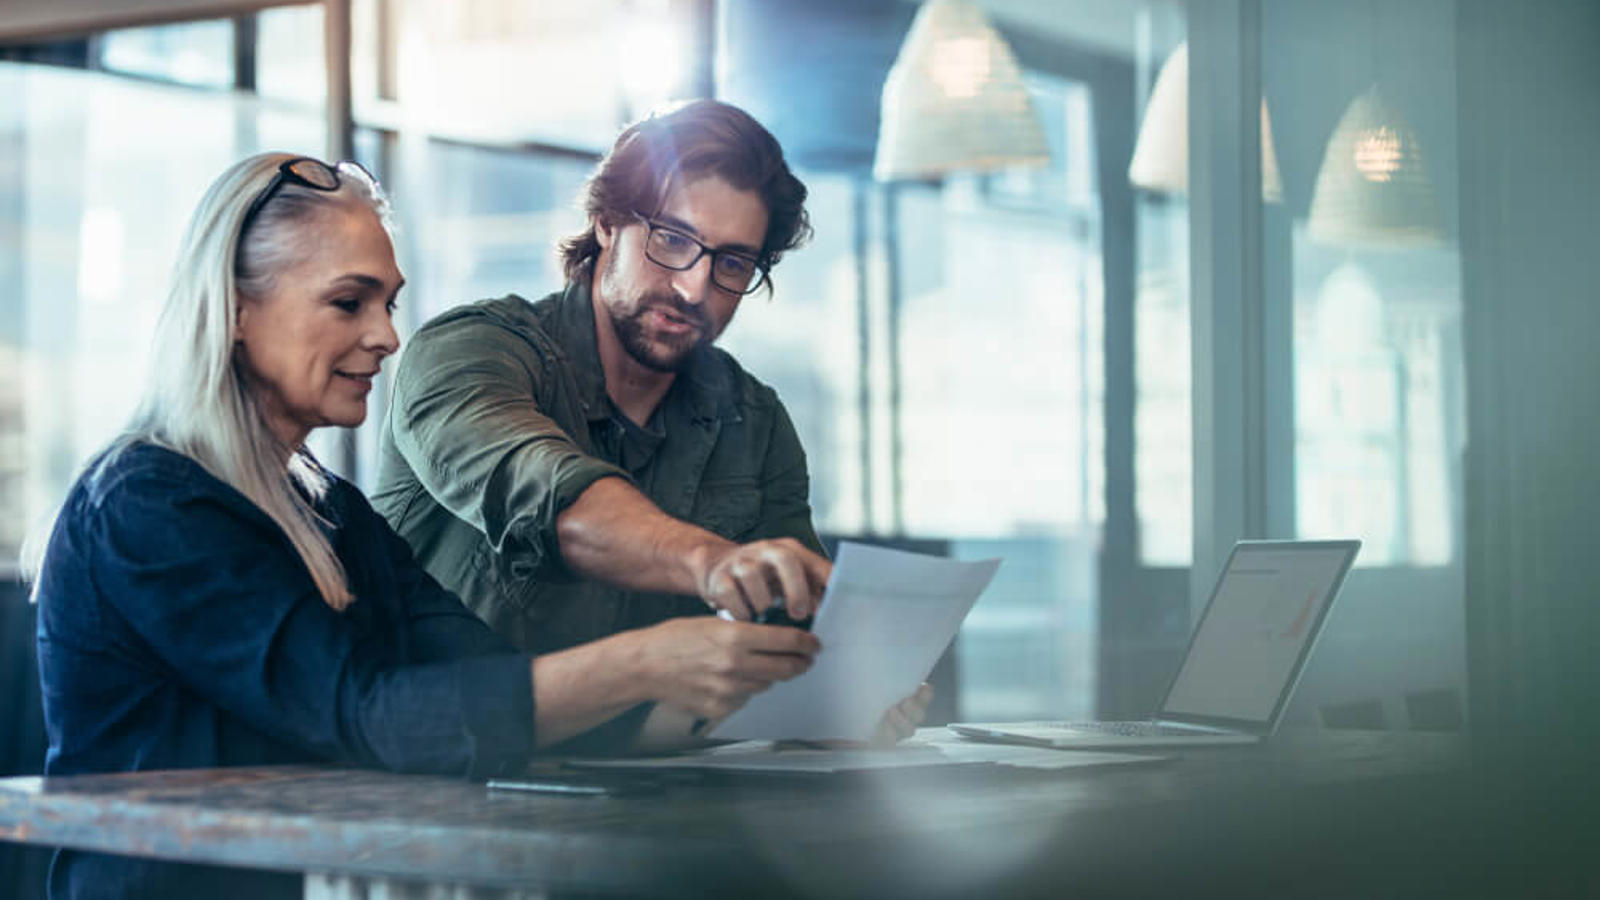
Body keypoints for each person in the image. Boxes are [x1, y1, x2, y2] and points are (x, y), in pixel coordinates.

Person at [27, 152, 847, 900]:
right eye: (349, 302)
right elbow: (373, 716)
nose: (385, 336)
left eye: (387, 303)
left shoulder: (328, 509)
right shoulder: (147, 504)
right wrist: (649, 659)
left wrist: (736, 681)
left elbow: (487, 674)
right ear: (236, 310)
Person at [372, 100, 931, 748]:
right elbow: (546, 494)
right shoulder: (470, 351)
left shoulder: (755, 421)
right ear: (607, 222)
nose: (695, 288)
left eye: (731, 263)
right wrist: (710, 560)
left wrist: (840, 699)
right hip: (436, 793)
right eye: (672, 240)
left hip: (650, 796)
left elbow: (788, 634)